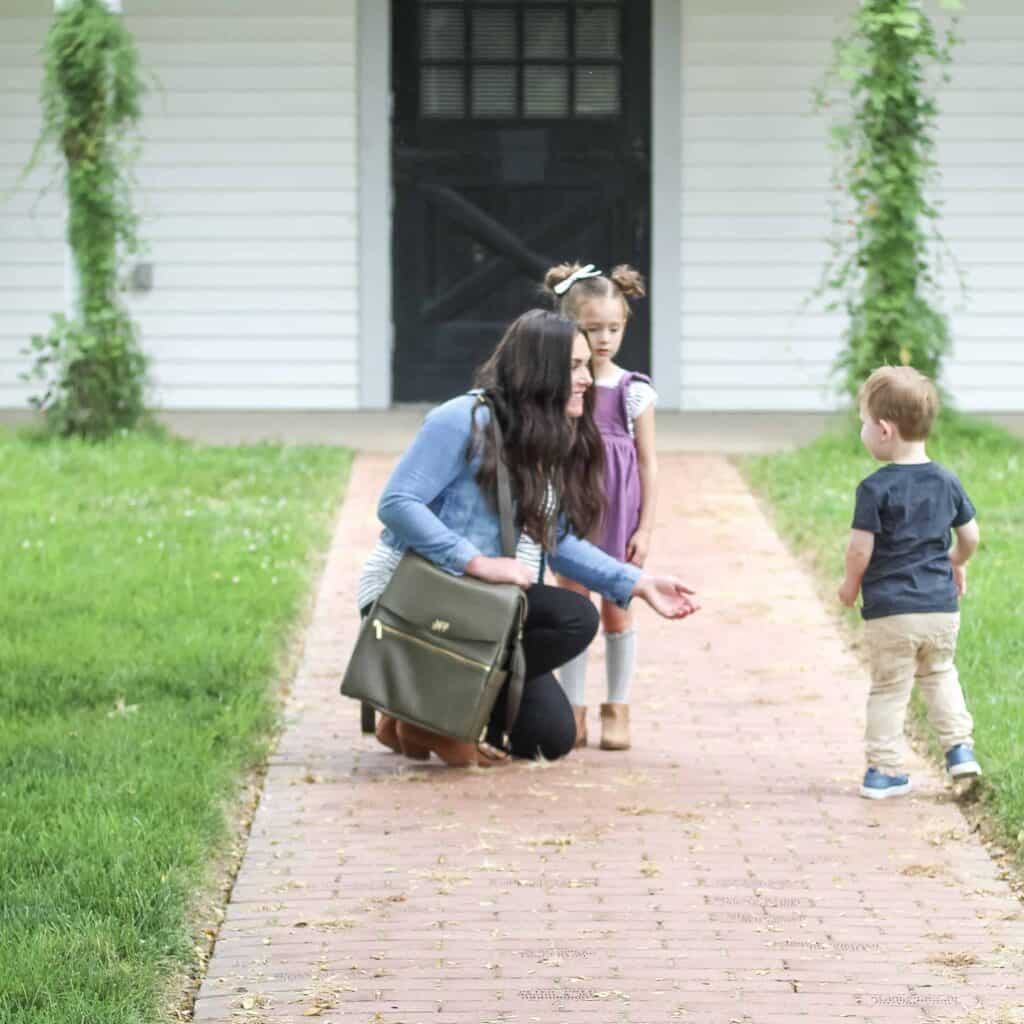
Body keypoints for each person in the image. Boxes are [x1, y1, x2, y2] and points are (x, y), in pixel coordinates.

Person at [357, 309, 698, 767]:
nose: (586, 379)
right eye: (575, 367)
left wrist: (635, 582)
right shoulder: (462, 418)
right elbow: (397, 503)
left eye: (586, 367)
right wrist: (474, 561)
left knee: (548, 739)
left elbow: (556, 537)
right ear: (539, 372)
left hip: (483, 601)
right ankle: (433, 719)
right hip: (420, 593)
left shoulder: (547, 433)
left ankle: (418, 713)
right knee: (574, 615)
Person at [838, 365, 981, 799]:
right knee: (939, 674)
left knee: (889, 688)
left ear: (884, 430)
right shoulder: (946, 480)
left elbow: (859, 550)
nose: (862, 430)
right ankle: (959, 750)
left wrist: (849, 586)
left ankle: (883, 771)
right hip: (940, 609)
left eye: (863, 422)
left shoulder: (874, 488)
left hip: (891, 613)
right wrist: (956, 561)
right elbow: (971, 536)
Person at [543, 262, 657, 751]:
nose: (604, 339)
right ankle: (572, 709)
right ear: (573, 329)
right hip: (574, 510)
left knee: (617, 610)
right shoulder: (563, 386)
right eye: (593, 330)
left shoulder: (633, 391)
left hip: (618, 516)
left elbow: (649, 463)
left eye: (614, 328)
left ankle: (618, 706)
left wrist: (645, 528)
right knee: (573, 608)